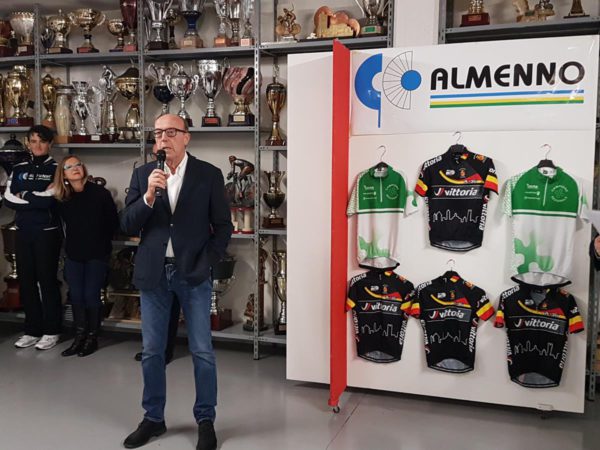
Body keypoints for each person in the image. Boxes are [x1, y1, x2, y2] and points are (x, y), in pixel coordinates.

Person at [121, 114, 233, 450]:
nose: (163, 139)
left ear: (187, 137)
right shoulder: (144, 174)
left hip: (192, 273)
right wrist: (148, 197)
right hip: (154, 273)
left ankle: (205, 420)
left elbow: (223, 227)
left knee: (202, 351)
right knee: (153, 351)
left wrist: (207, 261)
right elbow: (127, 224)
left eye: (171, 132)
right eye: (158, 133)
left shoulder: (208, 174)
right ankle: (153, 418)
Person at [3, 125, 62, 350]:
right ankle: (32, 330)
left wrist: (25, 194)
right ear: (28, 143)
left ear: (50, 144)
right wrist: (35, 197)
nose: (38, 145)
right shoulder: (18, 168)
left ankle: (52, 330)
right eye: (33, 141)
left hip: (47, 232)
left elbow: (50, 200)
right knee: (26, 281)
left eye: (42, 141)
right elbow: (8, 198)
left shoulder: (57, 168)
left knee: (47, 281)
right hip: (23, 231)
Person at [54, 156, 119, 357]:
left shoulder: (100, 193)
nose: (75, 168)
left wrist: (101, 240)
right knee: (76, 295)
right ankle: (79, 337)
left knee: (91, 295)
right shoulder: (62, 198)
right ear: (63, 174)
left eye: (78, 164)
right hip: (74, 253)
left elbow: (113, 222)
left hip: (97, 253)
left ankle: (92, 338)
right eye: (69, 166)